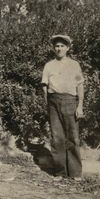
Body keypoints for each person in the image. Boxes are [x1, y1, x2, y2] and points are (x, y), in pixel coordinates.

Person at [41, 34, 84, 181]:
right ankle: (60, 172)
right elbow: (45, 88)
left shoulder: (74, 65)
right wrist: (48, 105)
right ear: (53, 48)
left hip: (70, 101)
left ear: (68, 48)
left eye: (62, 46)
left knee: (72, 136)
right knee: (57, 137)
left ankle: (75, 172)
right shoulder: (49, 65)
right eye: (57, 46)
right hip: (53, 102)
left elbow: (80, 86)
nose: (59, 48)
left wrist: (80, 106)